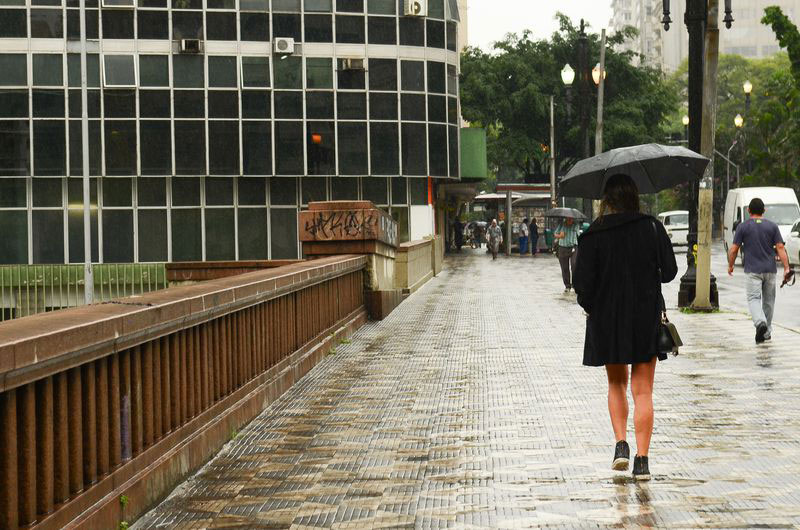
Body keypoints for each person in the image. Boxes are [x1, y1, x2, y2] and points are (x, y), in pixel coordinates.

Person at [573, 174, 678, 482]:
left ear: (607, 200)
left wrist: (594, 307)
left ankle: (621, 445)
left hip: (607, 318)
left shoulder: (593, 234)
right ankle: (642, 461)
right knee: (643, 390)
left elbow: (581, 285)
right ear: (635, 197)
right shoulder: (651, 227)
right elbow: (670, 272)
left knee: (616, 383)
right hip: (644, 316)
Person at [727, 198, 792, 343]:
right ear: (764, 211)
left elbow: (733, 250)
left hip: (753, 271)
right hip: (770, 270)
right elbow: (780, 248)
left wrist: (731, 265)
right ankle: (766, 333)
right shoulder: (772, 226)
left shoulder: (743, 227)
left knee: (753, 299)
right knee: (769, 302)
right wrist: (786, 268)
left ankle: (760, 323)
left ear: (749, 211)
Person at [554, 217, 580, 292]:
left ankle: (575, 284)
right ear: (566, 218)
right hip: (562, 248)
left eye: (571, 219)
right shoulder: (561, 225)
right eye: (568, 219)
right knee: (564, 268)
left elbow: (578, 235)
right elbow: (555, 234)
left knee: (574, 265)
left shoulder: (576, 225)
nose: (570, 220)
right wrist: (560, 236)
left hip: (573, 247)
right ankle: (567, 286)